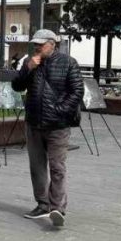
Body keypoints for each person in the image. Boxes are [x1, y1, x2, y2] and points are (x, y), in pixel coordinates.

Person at [12, 29, 84, 228]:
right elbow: (17, 86)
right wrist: (27, 69)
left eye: (41, 44)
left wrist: (59, 110)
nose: (37, 47)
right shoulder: (31, 62)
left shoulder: (68, 62)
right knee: (36, 166)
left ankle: (57, 208)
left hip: (58, 126)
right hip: (34, 122)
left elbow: (77, 91)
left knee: (57, 167)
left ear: (52, 44)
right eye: (35, 44)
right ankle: (42, 204)